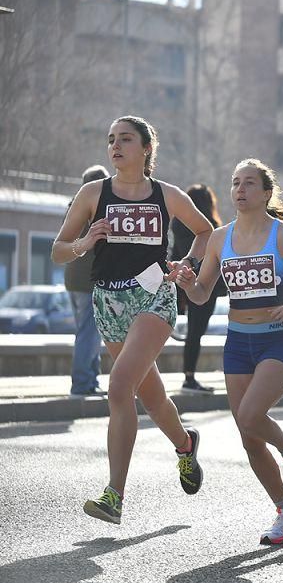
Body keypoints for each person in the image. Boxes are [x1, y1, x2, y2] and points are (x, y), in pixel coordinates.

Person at [51, 115, 213, 524]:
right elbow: (57, 250)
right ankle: (185, 445)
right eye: (111, 140)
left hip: (154, 296)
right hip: (108, 301)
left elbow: (205, 230)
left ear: (145, 148)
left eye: (125, 139)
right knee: (151, 395)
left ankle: (114, 496)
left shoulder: (166, 195)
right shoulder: (93, 193)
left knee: (119, 387)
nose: (116, 146)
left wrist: (186, 263)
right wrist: (84, 242)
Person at [174, 159, 283, 545]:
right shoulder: (219, 238)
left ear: (266, 193)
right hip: (238, 343)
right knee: (248, 436)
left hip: (276, 341)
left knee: (250, 415)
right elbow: (201, 295)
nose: (240, 189)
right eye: (234, 183)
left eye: (249, 183)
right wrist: (186, 282)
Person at [170, 184, 225, 394]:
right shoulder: (209, 226)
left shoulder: (179, 223)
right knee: (196, 331)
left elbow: (177, 251)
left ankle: (189, 376)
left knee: (192, 331)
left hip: (182, 280)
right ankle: (190, 378)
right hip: (204, 284)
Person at [65, 164, 109, 398]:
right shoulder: (96, 207)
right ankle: (82, 383)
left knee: (89, 331)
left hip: (72, 278)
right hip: (89, 280)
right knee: (89, 333)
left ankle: (91, 380)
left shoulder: (73, 205)